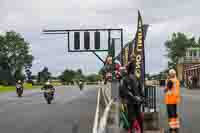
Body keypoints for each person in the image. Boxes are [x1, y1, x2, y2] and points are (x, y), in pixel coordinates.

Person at [119, 61, 144, 132]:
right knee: (132, 118)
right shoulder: (125, 79)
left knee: (139, 118)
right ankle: (131, 131)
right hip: (130, 101)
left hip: (136, 101)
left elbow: (140, 88)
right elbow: (125, 91)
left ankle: (141, 131)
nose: (134, 69)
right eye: (133, 68)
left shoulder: (136, 78)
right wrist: (135, 97)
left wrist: (142, 97)